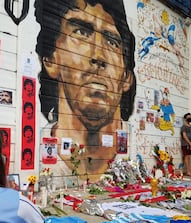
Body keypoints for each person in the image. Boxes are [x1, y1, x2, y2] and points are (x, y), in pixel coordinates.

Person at [35, 0, 136, 178]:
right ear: (50, 60)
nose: (98, 56)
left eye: (112, 42)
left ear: (127, 76)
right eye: (81, 32)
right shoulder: (40, 164)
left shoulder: (133, 154)